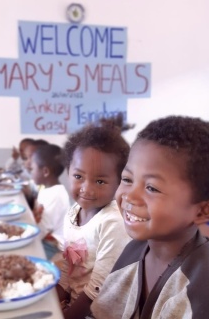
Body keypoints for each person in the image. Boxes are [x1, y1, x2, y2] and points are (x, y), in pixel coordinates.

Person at [91, 116, 209, 319]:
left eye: (152, 188)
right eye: (127, 179)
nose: (129, 196)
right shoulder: (134, 249)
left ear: (204, 211)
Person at [56, 114, 133, 319]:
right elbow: (67, 266)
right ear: (68, 171)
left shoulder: (113, 222)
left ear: (119, 182)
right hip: (76, 304)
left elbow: (99, 289)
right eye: (78, 176)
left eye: (100, 181)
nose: (86, 189)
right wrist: (58, 295)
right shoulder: (74, 212)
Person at [30, 144, 71, 260]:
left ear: (45, 172)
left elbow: (40, 232)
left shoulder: (55, 195)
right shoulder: (47, 189)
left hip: (53, 247)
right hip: (46, 239)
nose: (31, 173)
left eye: (33, 169)